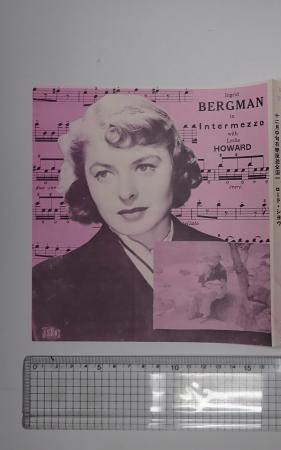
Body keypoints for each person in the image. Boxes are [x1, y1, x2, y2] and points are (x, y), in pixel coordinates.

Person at [32, 94, 268, 343]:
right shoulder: (48, 284)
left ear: (176, 167)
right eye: (103, 174)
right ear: (86, 182)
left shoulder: (233, 258)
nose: (126, 193)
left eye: (144, 167)